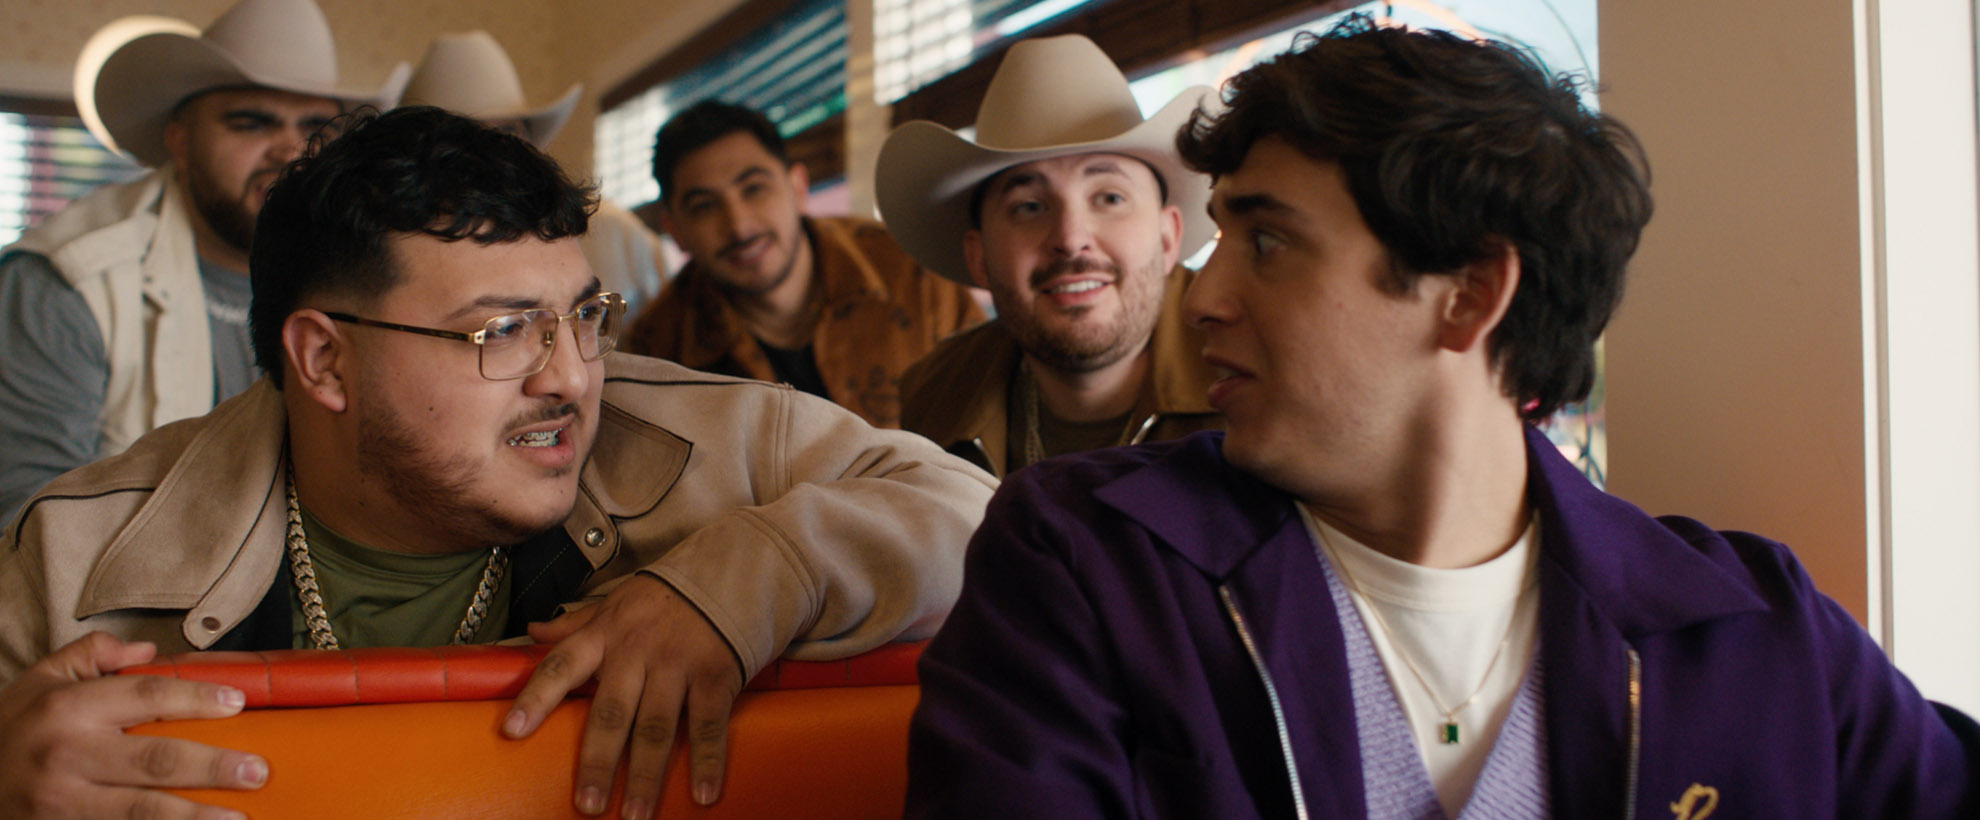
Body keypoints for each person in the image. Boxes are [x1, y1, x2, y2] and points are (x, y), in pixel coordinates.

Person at [905, 18, 1980, 819]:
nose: (1205, 294)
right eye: (1220, 237)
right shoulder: (1090, 565)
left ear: (1470, 293)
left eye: (1267, 241)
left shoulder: (1757, 637)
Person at [0, 107, 995, 820]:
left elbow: (978, 515)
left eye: (584, 315)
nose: (571, 376)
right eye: (506, 330)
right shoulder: (76, 555)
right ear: (325, 359)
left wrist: (756, 573)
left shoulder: (708, 438)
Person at [0, 0, 409, 523]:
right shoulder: (66, 280)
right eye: (251, 123)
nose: (290, 150)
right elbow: (31, 521)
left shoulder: (368, 270)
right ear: (181, 140)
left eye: (314, 126)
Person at [877, 34, 1221, 478]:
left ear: (1167, 236)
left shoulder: (1254, 377)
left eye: (1109, 198)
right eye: (1029, 207)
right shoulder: (933, 398)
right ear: (979, 256)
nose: (1071, 237)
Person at [621, 100, 983, 429]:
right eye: (704, 206)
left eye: (754, 188)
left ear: (797, 187)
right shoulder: (658, 351)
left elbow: (989, 416)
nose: (739, 225)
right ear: (675, 231)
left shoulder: (910, 268)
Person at [401, 29, 675, 315]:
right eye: (464, 143)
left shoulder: (618, 235)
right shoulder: (397, 253)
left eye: (506, 134)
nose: (491, 157)